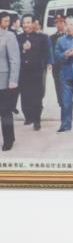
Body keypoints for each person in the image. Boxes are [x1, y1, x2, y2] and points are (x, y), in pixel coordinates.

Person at [16, 14, 49, 132]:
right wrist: (22, 48)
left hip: (36, 71)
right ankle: (28, 116)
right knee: (25, 96)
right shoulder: (17, 37)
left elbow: (46, 52)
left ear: (33, 23)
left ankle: (37, 120)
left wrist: (32, 47)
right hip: (22, 71)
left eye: (28, 22)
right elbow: (14, 51)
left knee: (36, 96)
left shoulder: (42, 37)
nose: (26, 25)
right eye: (24, 22)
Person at [0, 13, 20, 151]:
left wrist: (13, 79)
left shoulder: (9, 36)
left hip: (4, 80)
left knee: (5, 111)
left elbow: (15, 59)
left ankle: (8, 139)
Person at [49, 14, 66, 120]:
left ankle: (66, 108)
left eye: (61, 21)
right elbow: (50, 52)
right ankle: (62, 105)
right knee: (59, 88)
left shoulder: (69, 36)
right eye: (56, 22)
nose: (59, 24)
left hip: (67, 66)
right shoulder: (52, 38)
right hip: (57, 67)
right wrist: (50, 62)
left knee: (67, 90)